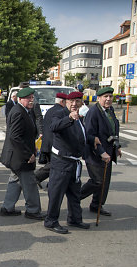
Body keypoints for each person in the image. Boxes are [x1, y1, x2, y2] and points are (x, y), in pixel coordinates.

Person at [44, 91, 89, 234]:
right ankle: (51, 221)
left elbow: (81, 136)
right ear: (66, 102)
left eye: (77, 101)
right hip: (61, 162)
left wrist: (93, 141)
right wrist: (69, 118)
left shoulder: (80, 118)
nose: (74, 104)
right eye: (71, 101)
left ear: (81, 103)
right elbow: (54, 126)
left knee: (74, 194)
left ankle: (75, 218)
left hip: (73, 163)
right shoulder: (60, 113)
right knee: (56, 193)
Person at [0, 87, 43, 219]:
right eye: (28, 98)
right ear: (20, 99)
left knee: (15, 181)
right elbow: (15, 137)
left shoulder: (23, 110)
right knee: (30, 183)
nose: (31, 100)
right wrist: (28, 154)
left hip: (17, 155)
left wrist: (33, 147)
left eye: (32, 98)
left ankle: (7, 208)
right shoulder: (19, 112)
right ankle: (33, 210)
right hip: (20, 157)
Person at [80, 87, 122, 217]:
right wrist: (101, 152)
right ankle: (75, 197)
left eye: (110, 96)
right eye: (105, 97)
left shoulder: (110, 111)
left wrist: (117, 145)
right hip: (95, 153)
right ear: (98, 98)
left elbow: (113, 129)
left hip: (109, 151)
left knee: (104, 181)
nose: (108, 99)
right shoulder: (94, 112)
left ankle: (97, 205)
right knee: (97, 180)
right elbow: (89, 135)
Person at [35, 93, 67, 189]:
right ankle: (36, 177)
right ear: (62, 101)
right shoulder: (61, 111)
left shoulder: (50, 110)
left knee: (54, 167)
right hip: (54, 143)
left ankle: (51, 184)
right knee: (54, 165)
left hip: (48, 142)